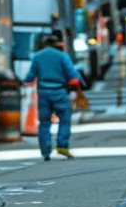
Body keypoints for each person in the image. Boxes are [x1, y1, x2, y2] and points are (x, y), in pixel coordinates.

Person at [23, 32, 83, 160]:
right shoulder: (62, 56)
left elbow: (29, 77)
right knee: (65, 120)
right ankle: (62, 146)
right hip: (60, 92)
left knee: (44, 122)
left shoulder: (37, 57)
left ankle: (45, 151)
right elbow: (73, 76)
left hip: (43, 93)